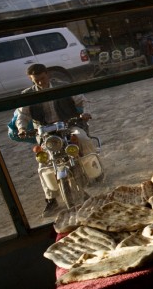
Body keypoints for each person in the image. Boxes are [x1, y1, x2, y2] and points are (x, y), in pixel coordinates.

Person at [15, 63, 95, 217]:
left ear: (47, 74)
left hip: (68, 125)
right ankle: (51, 200)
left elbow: (83, 100)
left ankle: (92, 171)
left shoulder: (62, 87)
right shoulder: (27, 94)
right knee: (43, 163)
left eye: (42, 78)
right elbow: (22, 115)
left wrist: (86, 113)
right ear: (30, 79)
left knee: (83, 138)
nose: (40, 82)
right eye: (36, 80)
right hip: (45, 133)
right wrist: (22, 129)